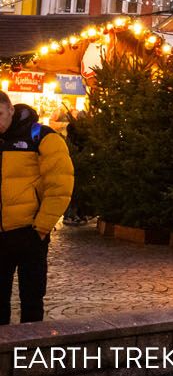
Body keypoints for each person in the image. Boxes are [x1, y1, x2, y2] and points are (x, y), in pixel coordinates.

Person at [0, 92, 74, 325]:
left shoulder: (41, 137)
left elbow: (60, 185)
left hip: (29, 232)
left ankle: (31, 353)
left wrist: (41, 228)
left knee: (31, 301)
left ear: (11, 110)